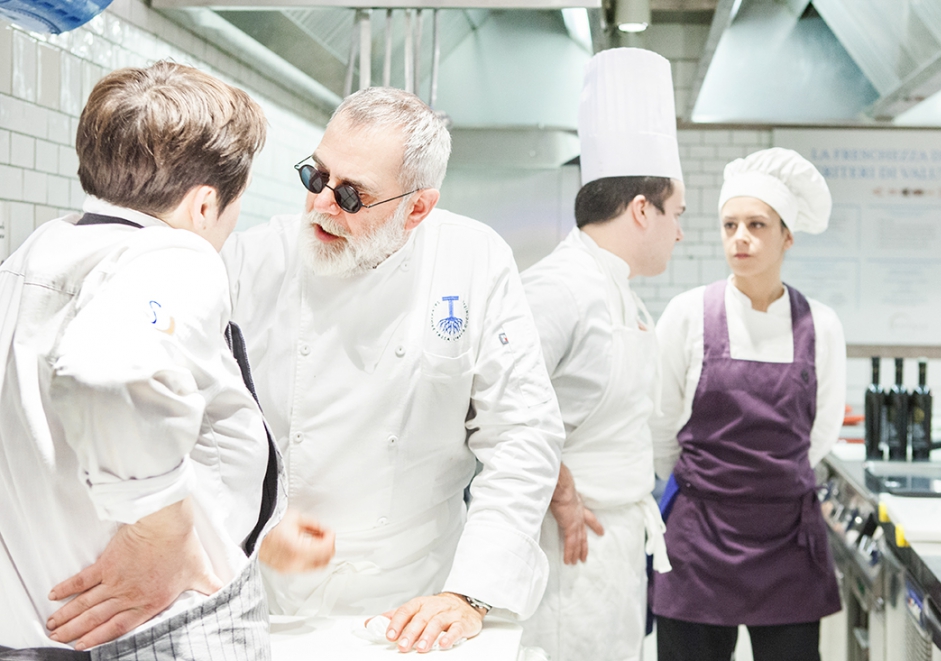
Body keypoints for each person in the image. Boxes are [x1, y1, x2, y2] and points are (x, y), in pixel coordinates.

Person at [221, 86, 564, 653]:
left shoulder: (473, 261)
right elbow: (195, 422)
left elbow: (522, 434)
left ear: (418, 208)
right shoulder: (253, 259)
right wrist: (244, 524)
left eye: (353, 196)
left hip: (413, 602)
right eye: (316, 178)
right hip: (266, 594)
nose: (322, 206)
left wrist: (471, 593)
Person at [0, 61, 281, 659]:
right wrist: (159, 529)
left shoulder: (35, 255)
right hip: (164, 631)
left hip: (41, 628)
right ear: (205, 204)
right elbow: (112, 373)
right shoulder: (173, 256)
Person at [519, 48, 683, 661]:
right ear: (643, 209)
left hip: (613, 542)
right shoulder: (560, 288)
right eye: (678, 213)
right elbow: (490, 406)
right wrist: (560, 488)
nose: (680, 232)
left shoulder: (619, 291)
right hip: (566, 547)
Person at [650, 147, 845, 661]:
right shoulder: (688, 314)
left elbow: (820, 433)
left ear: (787, 236)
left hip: (786, 543)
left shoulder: (820, 324)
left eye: (757, 225)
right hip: (699, 540)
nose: (741, 237)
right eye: (730, 224)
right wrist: (713, 486)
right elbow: (660, 424)